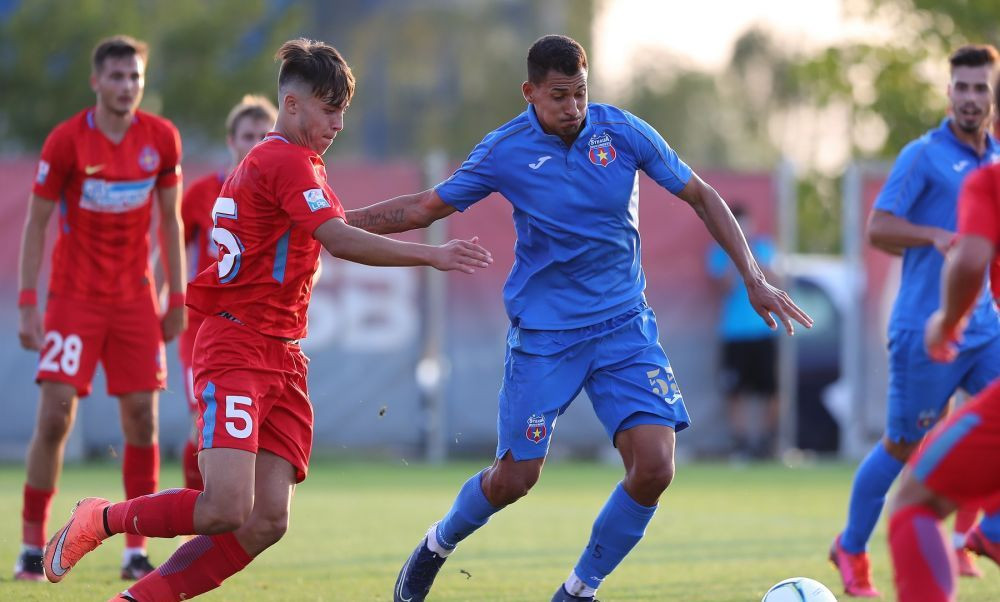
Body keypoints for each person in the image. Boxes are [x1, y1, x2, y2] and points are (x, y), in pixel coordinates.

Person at [345, 35, 811, 602]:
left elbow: (703, 195)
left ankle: (578, 590)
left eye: (581, 94)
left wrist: (753, 277)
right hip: (547, 338)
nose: (573, 108)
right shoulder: (504, 150)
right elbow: (424, 208)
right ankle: (436, 545)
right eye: (559, 96)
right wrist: (333, 222)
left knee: (655, 467)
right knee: (515, 480)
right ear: (530, 92)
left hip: (624, 329)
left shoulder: (622, 133)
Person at [40, 38, 492, 602]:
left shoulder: (297, 163)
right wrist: (432, 252)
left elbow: (344, 221)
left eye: (344, 112)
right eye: (330, 110)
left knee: (266, 521)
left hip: (281, 354)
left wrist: (428, 208)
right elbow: (339, 238)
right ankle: (102, 518)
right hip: (237, 346)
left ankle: (136, 598)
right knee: (223, 508)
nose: (339, 123)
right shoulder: (283, 158)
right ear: (294, 104)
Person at [829, 44, 1000, 597]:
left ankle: (983, 532)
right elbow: (878, 228)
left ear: (993, 93)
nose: (971, 97)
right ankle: (850, 548)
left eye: (980, 87)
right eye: (962, 87)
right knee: (903, 445)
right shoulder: (923, 155)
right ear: (948, 92)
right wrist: (932, 235)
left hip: (986, 328)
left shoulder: (995, 162)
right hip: (923, 332)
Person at [15, 34, 185, 582]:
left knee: (141, 420)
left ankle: (136, 549)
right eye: (116, 77)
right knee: (55, 414)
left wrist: (175, 296)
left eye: (135, 77)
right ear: (96, 82)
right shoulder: (67, 141)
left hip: (135, 301)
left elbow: (171, 222)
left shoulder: (161, 139)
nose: (127, 86)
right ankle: (30, 545)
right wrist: (27, 302)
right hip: (73, 299)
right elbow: (37, 223)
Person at [888, 160, 1000, 602]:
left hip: (942, 342)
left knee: (914, 501)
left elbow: (970, 259)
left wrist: (947, 321)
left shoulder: (989, 181)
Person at [176, 95, 277, 493]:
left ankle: (227, 522)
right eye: (247, 135)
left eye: (264, 136)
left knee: (253, 434)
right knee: (202, 422)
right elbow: (169, 246)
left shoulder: (282, 192)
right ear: (230, 140)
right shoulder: (202, 193)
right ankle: (197, 518)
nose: (255, 144)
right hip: (203, 328)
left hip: (259, 329)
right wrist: (159, 295)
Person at [706, 204, 780, 459]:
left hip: (763, 331)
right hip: (734, 333)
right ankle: (740, 442)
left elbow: (774, 280)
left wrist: (748, 253)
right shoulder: (718, 253)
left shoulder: (764, 248)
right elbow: (724, 286)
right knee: (735, 391)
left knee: (770, 389)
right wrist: (733, 251)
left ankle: (767, 443)